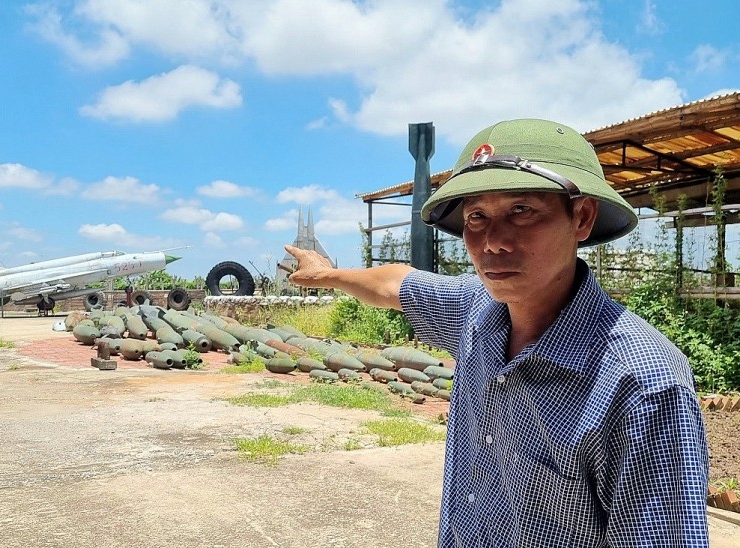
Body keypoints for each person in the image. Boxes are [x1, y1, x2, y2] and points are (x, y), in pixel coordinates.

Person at [285, 118, 709, 547]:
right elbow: (396, 283)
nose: (492, 242)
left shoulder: (639, 384)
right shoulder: (477, 310)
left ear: (580, 217)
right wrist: (329, 274)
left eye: (521, 211)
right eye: (477, 216)